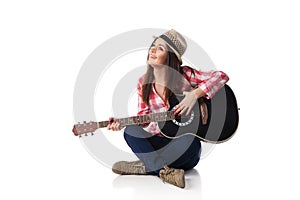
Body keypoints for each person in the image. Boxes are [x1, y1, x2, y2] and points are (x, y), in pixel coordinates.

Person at [107, 29, 229, 188]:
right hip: (158, 143)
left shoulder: (186, 76)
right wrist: (123, 122)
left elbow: (221, 76)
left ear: (171, 56)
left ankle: (147, 166)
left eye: (160, 48)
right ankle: (164, 171)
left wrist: (195, 95)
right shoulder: (143, 83)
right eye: (153, 46)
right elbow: (143, 118)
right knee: (130, 131)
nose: (152, 50)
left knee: (190, 140)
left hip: (184, 149)